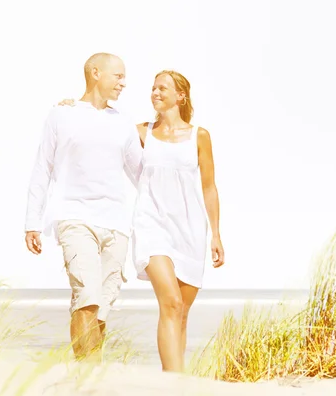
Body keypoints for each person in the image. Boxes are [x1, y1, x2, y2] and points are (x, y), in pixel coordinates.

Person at [57, 69, 225, 372]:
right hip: (152, 224)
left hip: (190, 229)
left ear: (181, 96)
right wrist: (73, 108)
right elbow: (99, 125)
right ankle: (173, 384)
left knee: (181, 313)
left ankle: (176, 379)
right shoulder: (140, 132)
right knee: (171, 303)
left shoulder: (200, 136)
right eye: (153, 88)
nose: (155, 93)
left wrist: (216, 234)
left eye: (163, 88)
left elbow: (209, 187)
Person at [24, 53, 143, 361]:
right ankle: (85, 377)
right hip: (74, 217)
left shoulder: (123, 122)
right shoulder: (61, 115)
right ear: (95, 73)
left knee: (101, 307)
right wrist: (32, 221)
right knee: (86, 298)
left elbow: (141, 174)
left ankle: (91, 377)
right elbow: (42, 168)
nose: (124, 82)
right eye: (118, 75)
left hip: (116, 223)